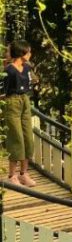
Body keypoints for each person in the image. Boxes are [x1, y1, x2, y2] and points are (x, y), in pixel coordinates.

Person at [4, 40, 36, 186]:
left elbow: (32, 82)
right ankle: (12, 176)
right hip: (12, 102)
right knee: (16, 137)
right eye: (28, 51)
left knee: (28, 137)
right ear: (22, 53)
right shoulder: (8, 70)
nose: (30, 54)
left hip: (25, 101)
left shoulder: (27, 68)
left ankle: (24, 174)